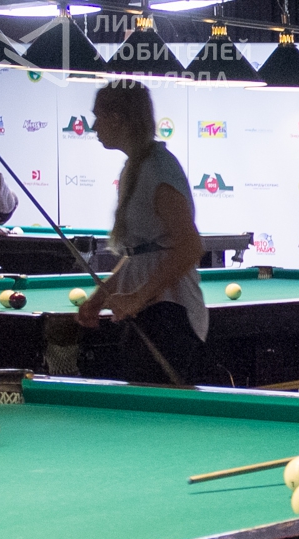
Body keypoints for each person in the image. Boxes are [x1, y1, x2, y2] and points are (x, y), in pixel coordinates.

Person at [75, 81, 207, 385]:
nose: (94, 126)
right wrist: (99, 297)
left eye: (98, 117)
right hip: (149, 313)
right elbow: (139, 255)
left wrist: (138, 297)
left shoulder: (158, 169)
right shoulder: (134, 168)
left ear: (118, 119)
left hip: (171, 315)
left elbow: (190, 247)